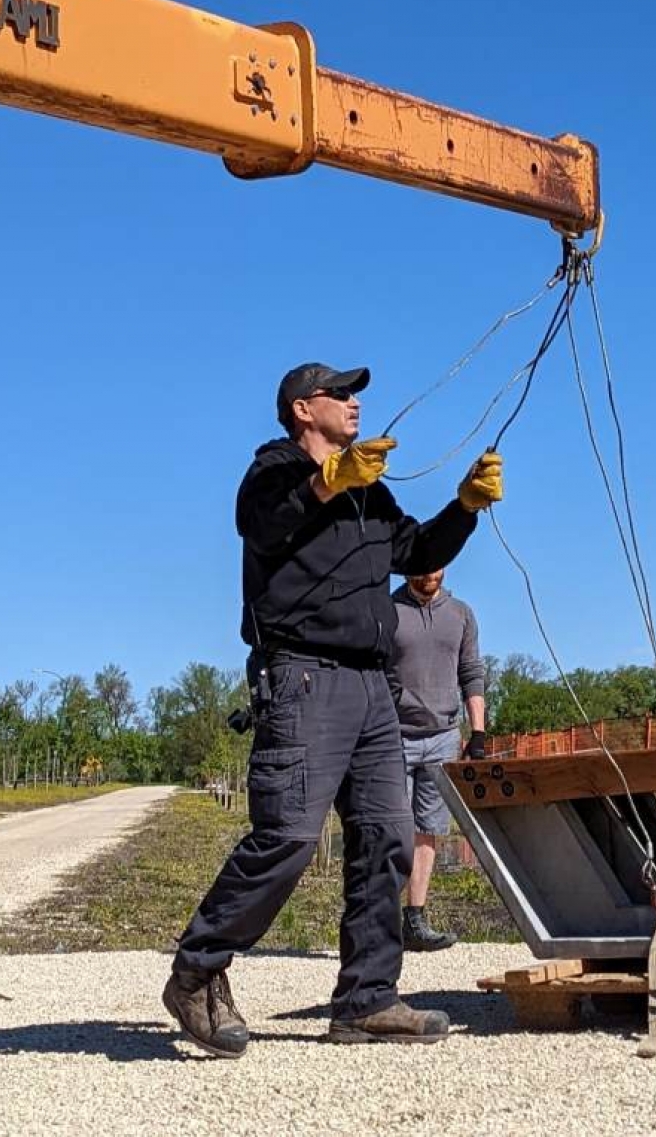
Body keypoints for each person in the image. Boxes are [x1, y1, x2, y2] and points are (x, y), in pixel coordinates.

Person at [162, 360, 503, 1055]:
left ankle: (366, 999)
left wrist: (464, 507)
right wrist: (324, 482)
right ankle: (197, 970)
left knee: (388, 837)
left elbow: (417, 551)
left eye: (356, 395)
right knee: (287, 835)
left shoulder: (368, 494)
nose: (354, 404)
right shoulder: (273, 470)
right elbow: (263, 525)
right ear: (300, 409)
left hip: (374, 687)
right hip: (304, 677)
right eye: (340, 394)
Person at [390, 563, 489, 951]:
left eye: (436, 568)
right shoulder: (388, 610)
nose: (429, 574)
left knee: (427, 828)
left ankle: (415, 919)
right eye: (421, 568)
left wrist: (477, 732)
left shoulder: (461, 614)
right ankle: (377, 917)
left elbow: (471, 673)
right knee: (391, 827)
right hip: (394, 734)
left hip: (443, 735)